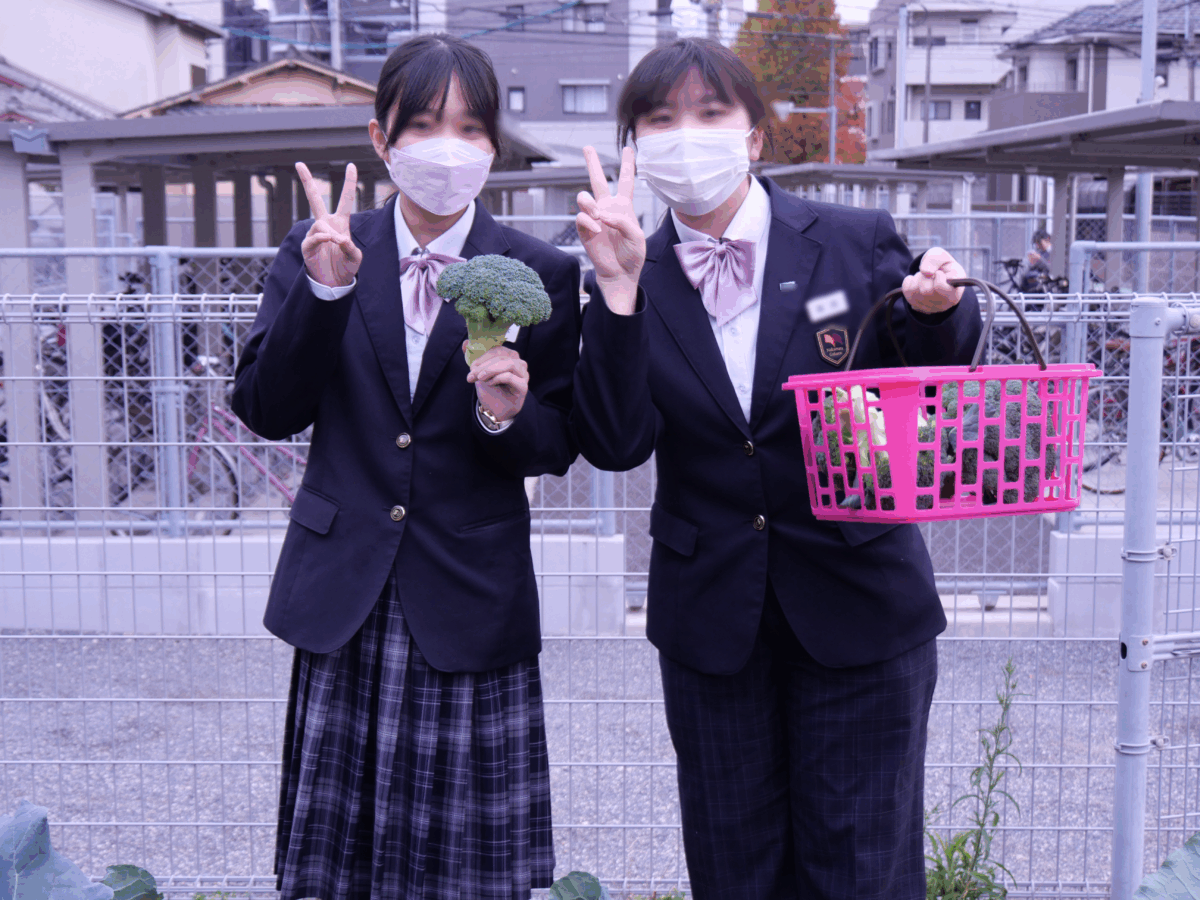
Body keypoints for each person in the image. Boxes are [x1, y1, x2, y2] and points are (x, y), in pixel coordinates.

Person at [568, 38, 983, 900]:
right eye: (660, 119)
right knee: (735, 871)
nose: (688, 134)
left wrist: (939, 310)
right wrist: (617, 294)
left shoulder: (851, 241)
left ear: (754, 135)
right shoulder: (630, 268)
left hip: (860, 601)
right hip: (712, 618)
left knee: (862, 872)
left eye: (710, 112)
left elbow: (930, 365)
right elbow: (615, 443)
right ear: (634, 148)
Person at [230, 33, 581, 900]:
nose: (445, 147)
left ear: (493, 145)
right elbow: (267, 408)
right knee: (338, 867)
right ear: (381, 139)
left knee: (466, 870)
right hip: (346, 591)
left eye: (468, 128)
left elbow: (559, 440)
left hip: (469, 592)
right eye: (422, 125)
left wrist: (504, 415)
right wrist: (325, 293)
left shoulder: (539, 271)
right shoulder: (321, 245)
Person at [1020, 228, 1053, 292]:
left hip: (1048, 278)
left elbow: (1051, 269)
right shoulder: (1041, 252)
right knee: (1026, 277)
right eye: (1036, 243)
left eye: (1039, 242)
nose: (1038, 246)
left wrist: (1040, 259)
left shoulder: (1053, 252)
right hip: (1039, 276)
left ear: (1047, 239)